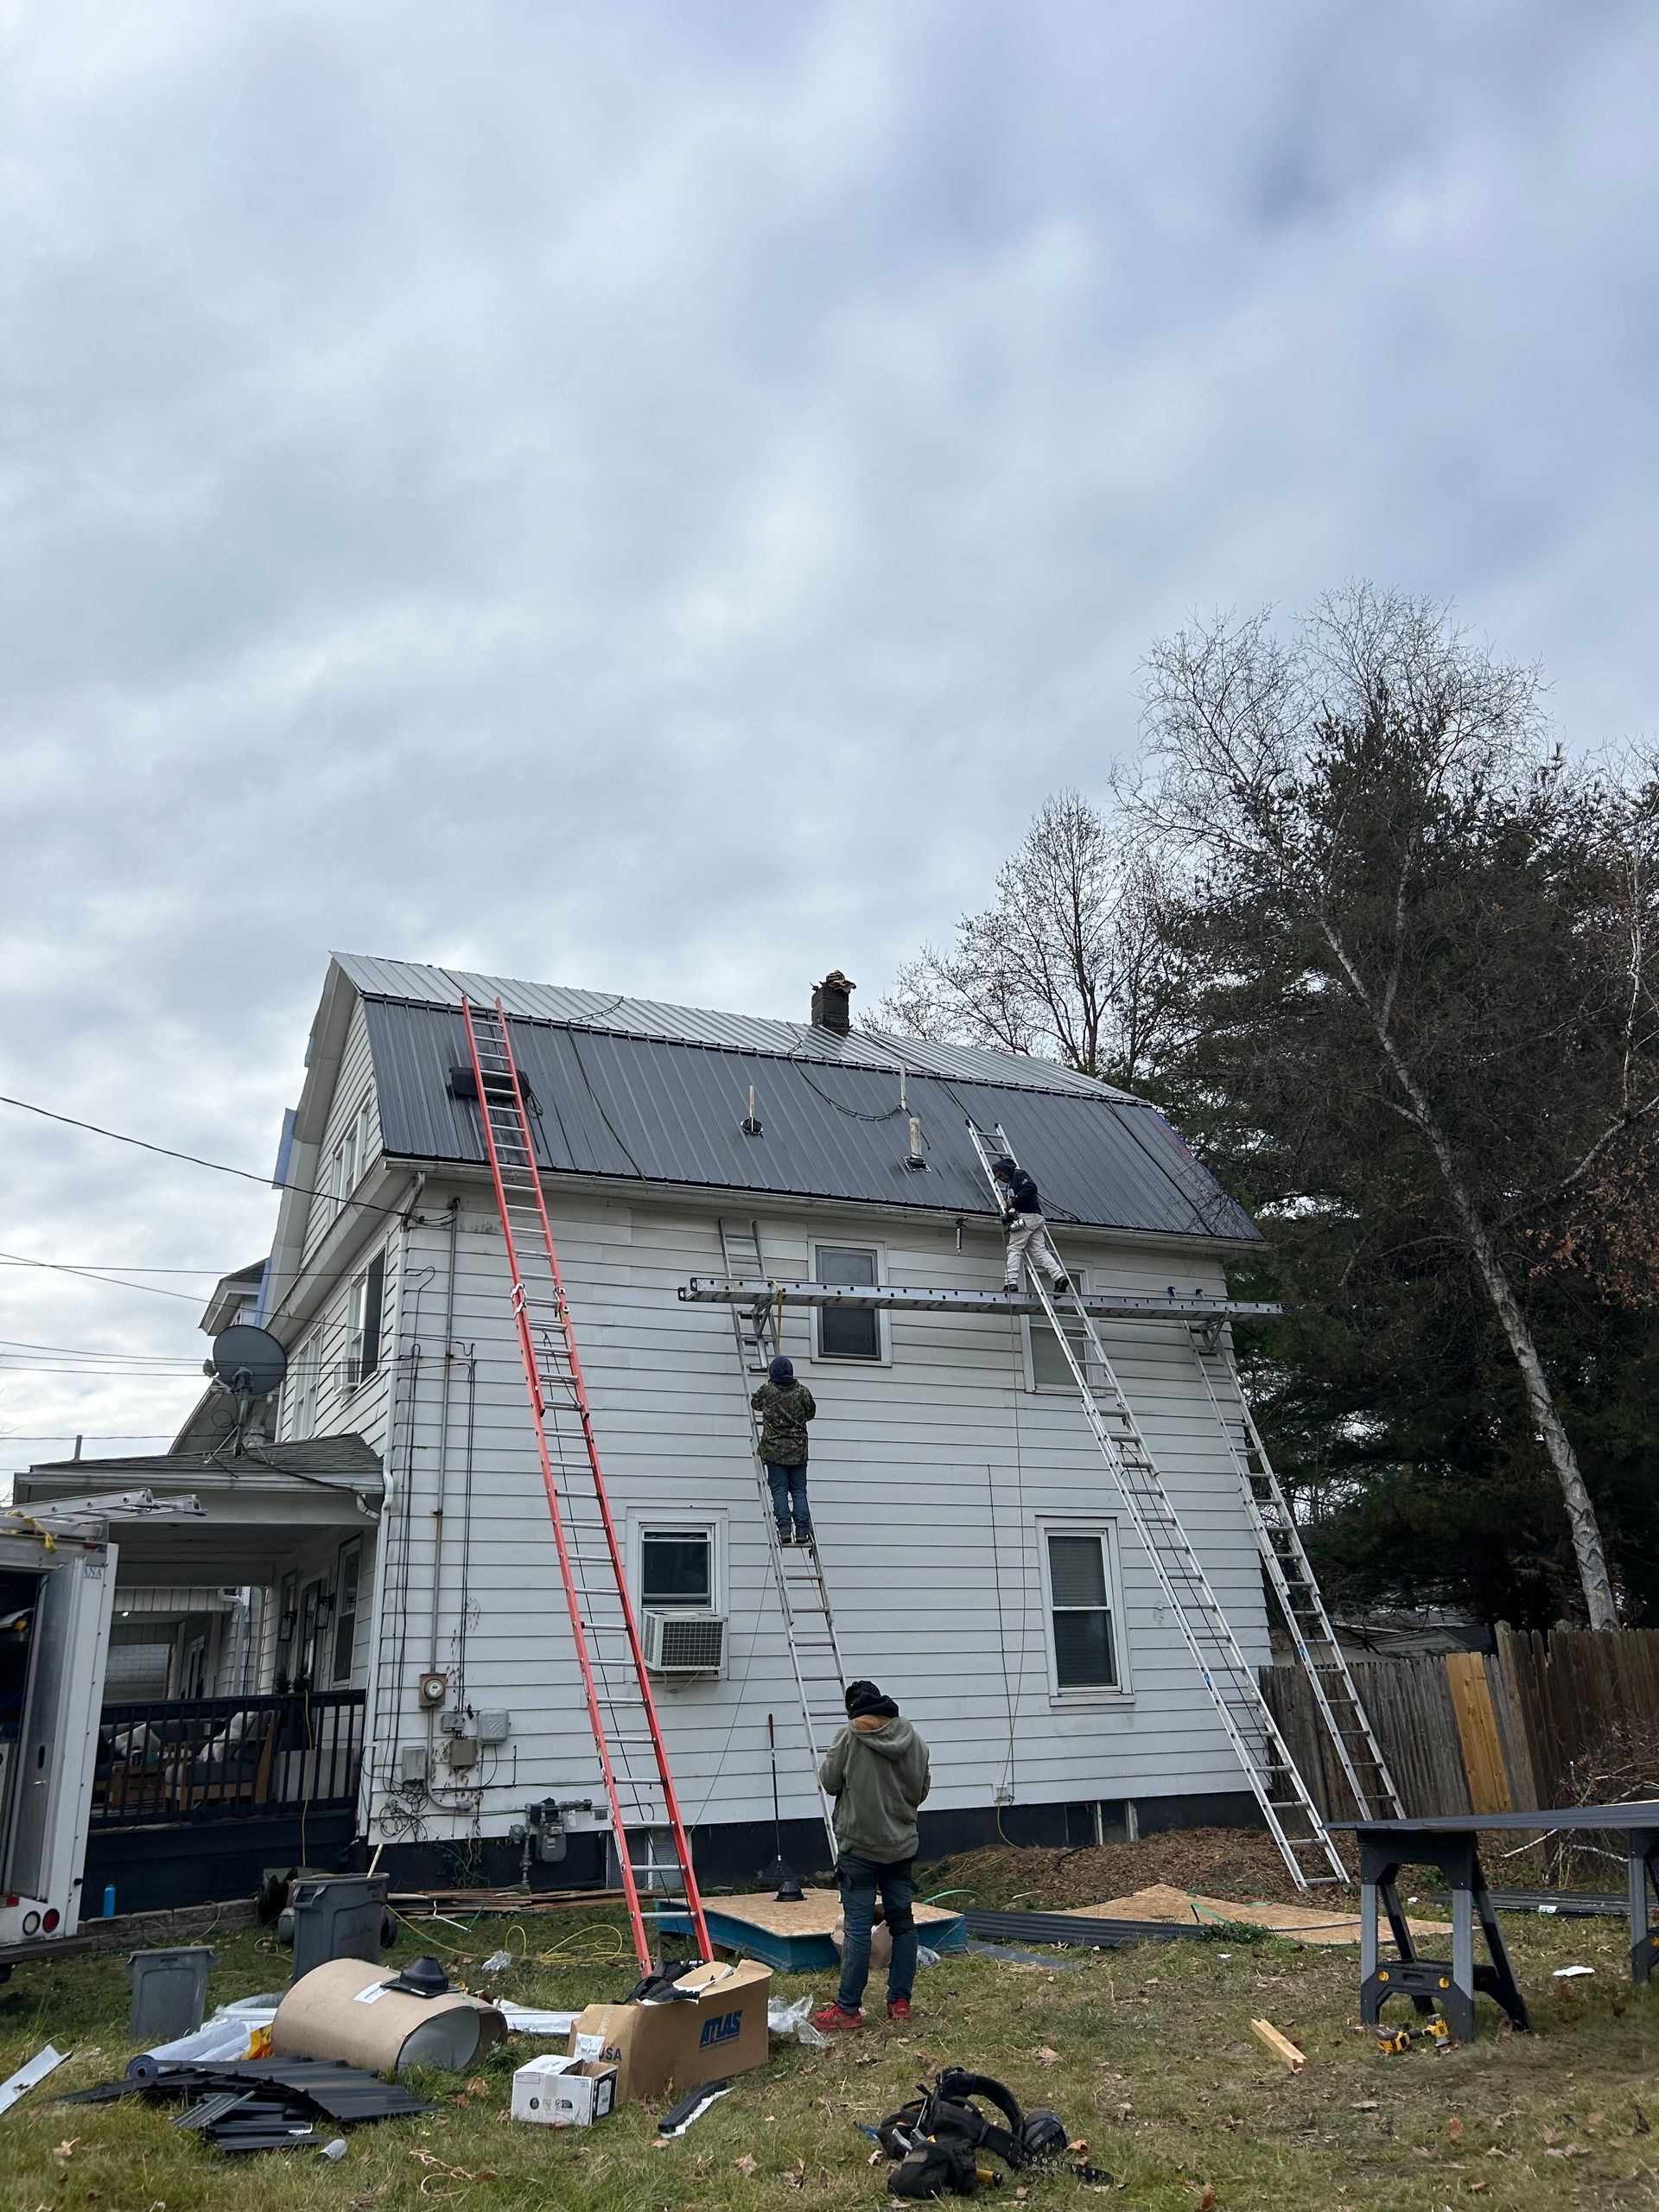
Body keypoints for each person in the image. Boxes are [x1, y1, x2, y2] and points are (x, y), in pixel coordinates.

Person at [813, 1680, 932, 2031]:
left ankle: (848, 2009)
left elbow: (829, 1781)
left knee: (858, 1929)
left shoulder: (849, 1737)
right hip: (901, 1847)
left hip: (860, 1850)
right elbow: (921, 1791)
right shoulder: (914, 1740)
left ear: (854, 1711)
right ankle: (900, 2002)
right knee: (903, 1925)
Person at [751, 1354, 817, 1545]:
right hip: (798, 1452)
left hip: (775, 1452)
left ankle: (785, 1530)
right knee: (799, 1491)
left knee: (779, 1491)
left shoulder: (767, 1390)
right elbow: (811, 1413)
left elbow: (755, 1404)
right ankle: (802, 1531)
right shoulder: (802, 1392)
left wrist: (767, 1386)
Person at [992, 1155, 1071, 1295]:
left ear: (1005, 1169)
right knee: (1039, 1251)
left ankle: (1010, 1282)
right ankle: (1059, 1277)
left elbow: (1031, 1187)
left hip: (1028, 1216)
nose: (1001, 1179)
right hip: (1035, 1218)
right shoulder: (1011, 1184)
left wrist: (1013, 1201)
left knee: (1014, 1248)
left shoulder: (1018, 1174)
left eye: (1001, 1175)